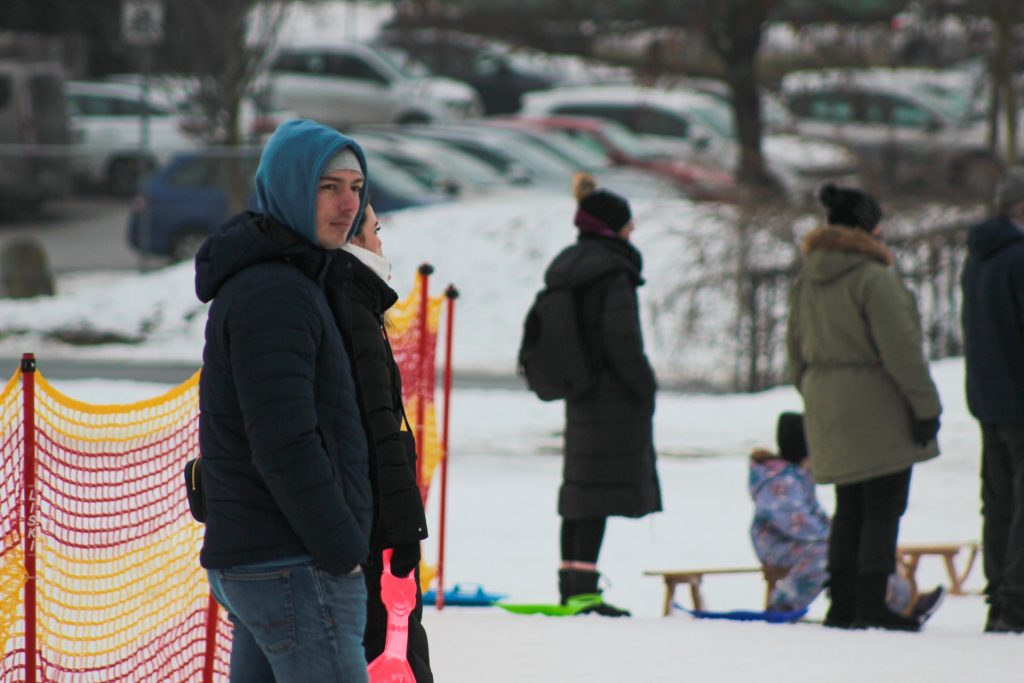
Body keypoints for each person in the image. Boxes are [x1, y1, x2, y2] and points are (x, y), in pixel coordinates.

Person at [195, 119, 375, 681]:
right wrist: (341, 546)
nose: (348, 204)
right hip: (292, 561)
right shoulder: (275, 293)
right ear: (292, 189)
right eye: (329, 187)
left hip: (273, 556)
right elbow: (283, 440)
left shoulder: (293, 279)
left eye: (355, 186)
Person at [786, 183, 943, 631]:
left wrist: (819, 396)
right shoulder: (874, 278)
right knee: (883, 504)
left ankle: (843, 602)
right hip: (879, 401)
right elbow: (902, 350)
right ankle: (871, 604)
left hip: (826, 401)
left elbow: (794, 353)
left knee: (849, 505)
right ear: (869, 228)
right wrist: (924, 406)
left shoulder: (805, 280)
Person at [544, 172, 662, 617]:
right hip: (614, 397)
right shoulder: (614, 273)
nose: (632, 232)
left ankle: (572, 586)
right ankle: (583, 593)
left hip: (581, 394)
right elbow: (623, 341)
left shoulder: (570, 266)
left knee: (579, 491)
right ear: (613, 228)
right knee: (594, 495)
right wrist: (645, 388)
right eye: (628, 224)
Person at [335, 204, 433, 677]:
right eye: (375, 231)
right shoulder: (353, 309)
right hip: (372, 529)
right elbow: (381, 431)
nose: (381, 241)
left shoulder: (356, 303)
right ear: (353, 240)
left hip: (367, 523)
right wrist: (405, 531)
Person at [750, 412, 943, 621]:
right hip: (778, 545)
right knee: (826, 556)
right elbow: (795, 523)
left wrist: (840, 535)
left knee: (856, 550)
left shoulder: (797, 475)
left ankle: (902, 602)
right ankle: (784, 604)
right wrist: (835, 537)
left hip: (805, 543)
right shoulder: (778, 482)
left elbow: (813, 517)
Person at [961, 166, 1024, 633]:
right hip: (1017, 399)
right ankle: (1016, 601)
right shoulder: (1019, 257)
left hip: (988, 397)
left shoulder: (980, 256)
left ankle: (999, 596)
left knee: (999, 502)